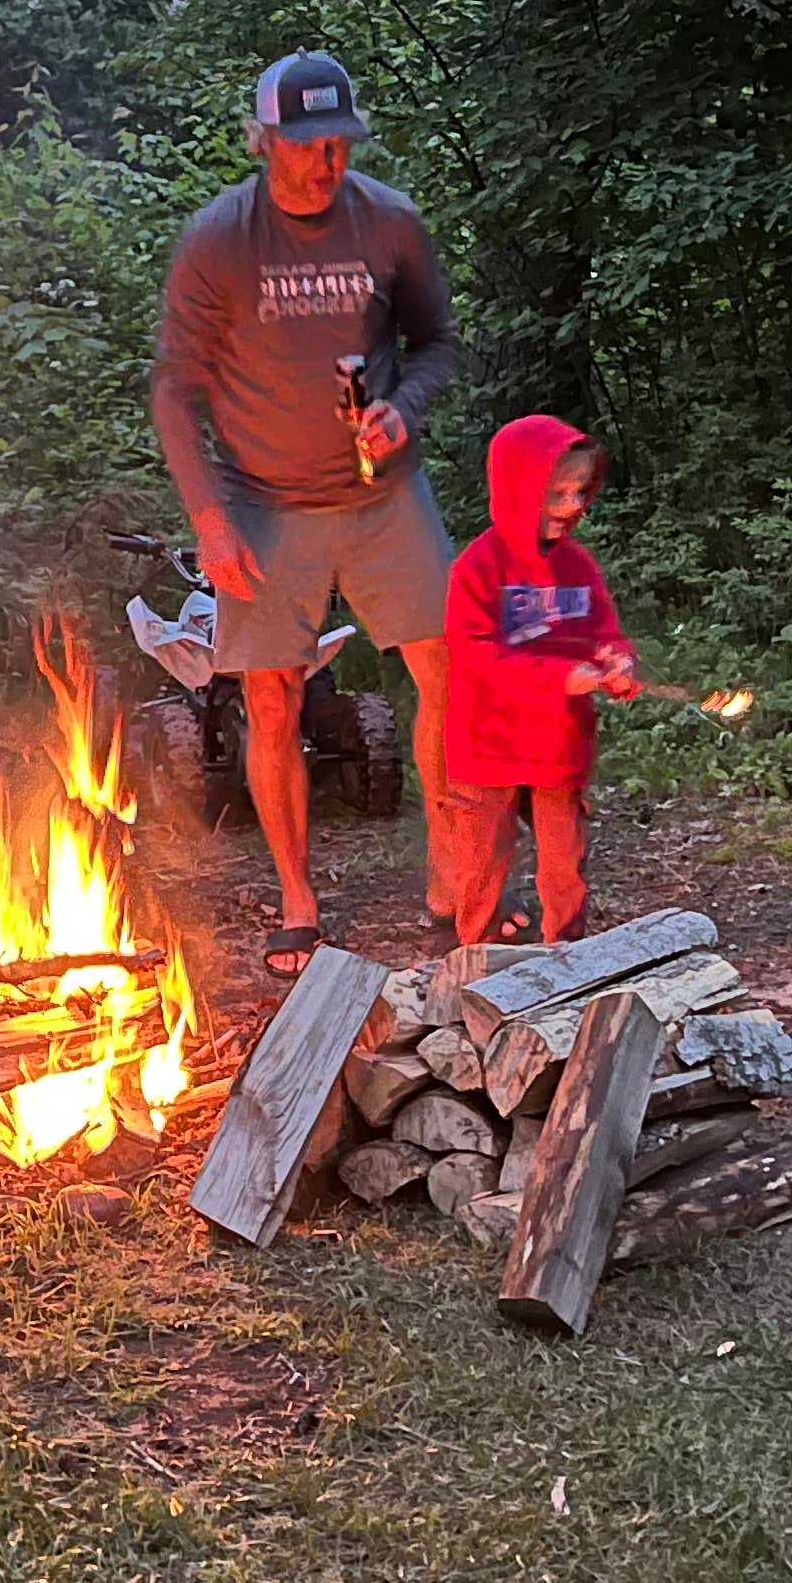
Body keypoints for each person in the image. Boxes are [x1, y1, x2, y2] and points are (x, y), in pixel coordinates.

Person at [149, 50, 465, 971]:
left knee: (446, 672)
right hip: (261, 502)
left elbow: (437, 343)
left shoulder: (390, 223)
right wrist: (208, 519)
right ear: (264, 142)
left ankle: (452, 884)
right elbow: (173, 389)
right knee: (272, 693)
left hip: (379, 493)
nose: (325, 162)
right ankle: (297, 900)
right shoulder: (221, 239)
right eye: (304, 145)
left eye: (337, 143)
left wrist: (400, 412)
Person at [439, 413, 637, 945]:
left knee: (564, 866)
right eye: (556, 494)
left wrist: (615, 661)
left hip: (558, 744)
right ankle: (474, 960)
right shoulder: (479, 567)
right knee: (481, 862)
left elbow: (604, 630)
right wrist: (556, 678)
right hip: (487, 744)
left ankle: (565, 958)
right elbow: (474, 655)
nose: (572, 507)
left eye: (580, 492)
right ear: (517, 490)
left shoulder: (579, 566)